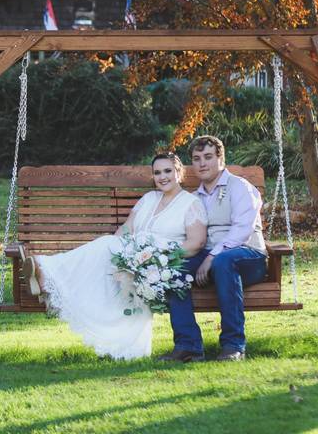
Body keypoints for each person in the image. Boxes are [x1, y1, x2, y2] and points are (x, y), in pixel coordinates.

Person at [22, 152, 207, 360]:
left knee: (105, 247)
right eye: (157, 173)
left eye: (167, 171)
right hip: (132, 258)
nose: (162, 177)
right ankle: (47, 273)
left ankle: (46, 271)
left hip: (160, 265)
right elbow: (127, 228)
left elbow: (195, 243)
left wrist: (157, 255)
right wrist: (122, 254)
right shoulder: (149, 198)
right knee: (106, 245)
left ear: (179, 172)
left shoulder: (191, 203)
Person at [159, 135, 268, 363]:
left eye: (208, 157)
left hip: (248, 255)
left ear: (221, 159)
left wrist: (211, 257)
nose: (202, 163)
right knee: (174, 271)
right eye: (197, 159)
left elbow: (242, 230)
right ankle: (188, 346)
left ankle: (233, 345)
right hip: (210, 260)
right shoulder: (194, 198)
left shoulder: (240, 187)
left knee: (224, 261)